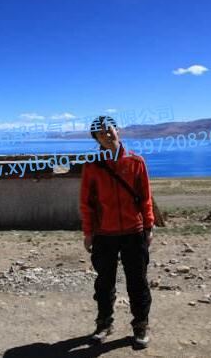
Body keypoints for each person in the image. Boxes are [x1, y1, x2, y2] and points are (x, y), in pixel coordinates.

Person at [79, 115, 154, 348]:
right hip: (104, 233)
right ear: (96, 138)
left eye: (108, 129)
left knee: (138, 282)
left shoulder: (136, 162)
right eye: (100, 133)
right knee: (104, 283)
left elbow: (146, 197)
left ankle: (140, 325)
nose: (106, 135)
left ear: (117, 130)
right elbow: (86, 203)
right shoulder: (92, 166)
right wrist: (88, 232)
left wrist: (149, 226)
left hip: (134, 231)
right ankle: (104, 324)